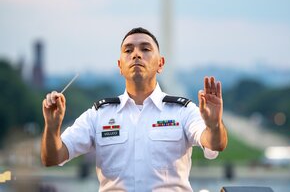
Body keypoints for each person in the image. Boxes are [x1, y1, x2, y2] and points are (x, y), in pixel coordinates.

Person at [41, 27, 228, 191]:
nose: (136, 54)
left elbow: (215, 143)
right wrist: (51, 127)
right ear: (120, 66)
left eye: (145, 49)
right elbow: (53, 157)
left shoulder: (182, 111)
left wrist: (214, 125)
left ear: (161, 64)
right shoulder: (99, 115)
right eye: (128, 50)